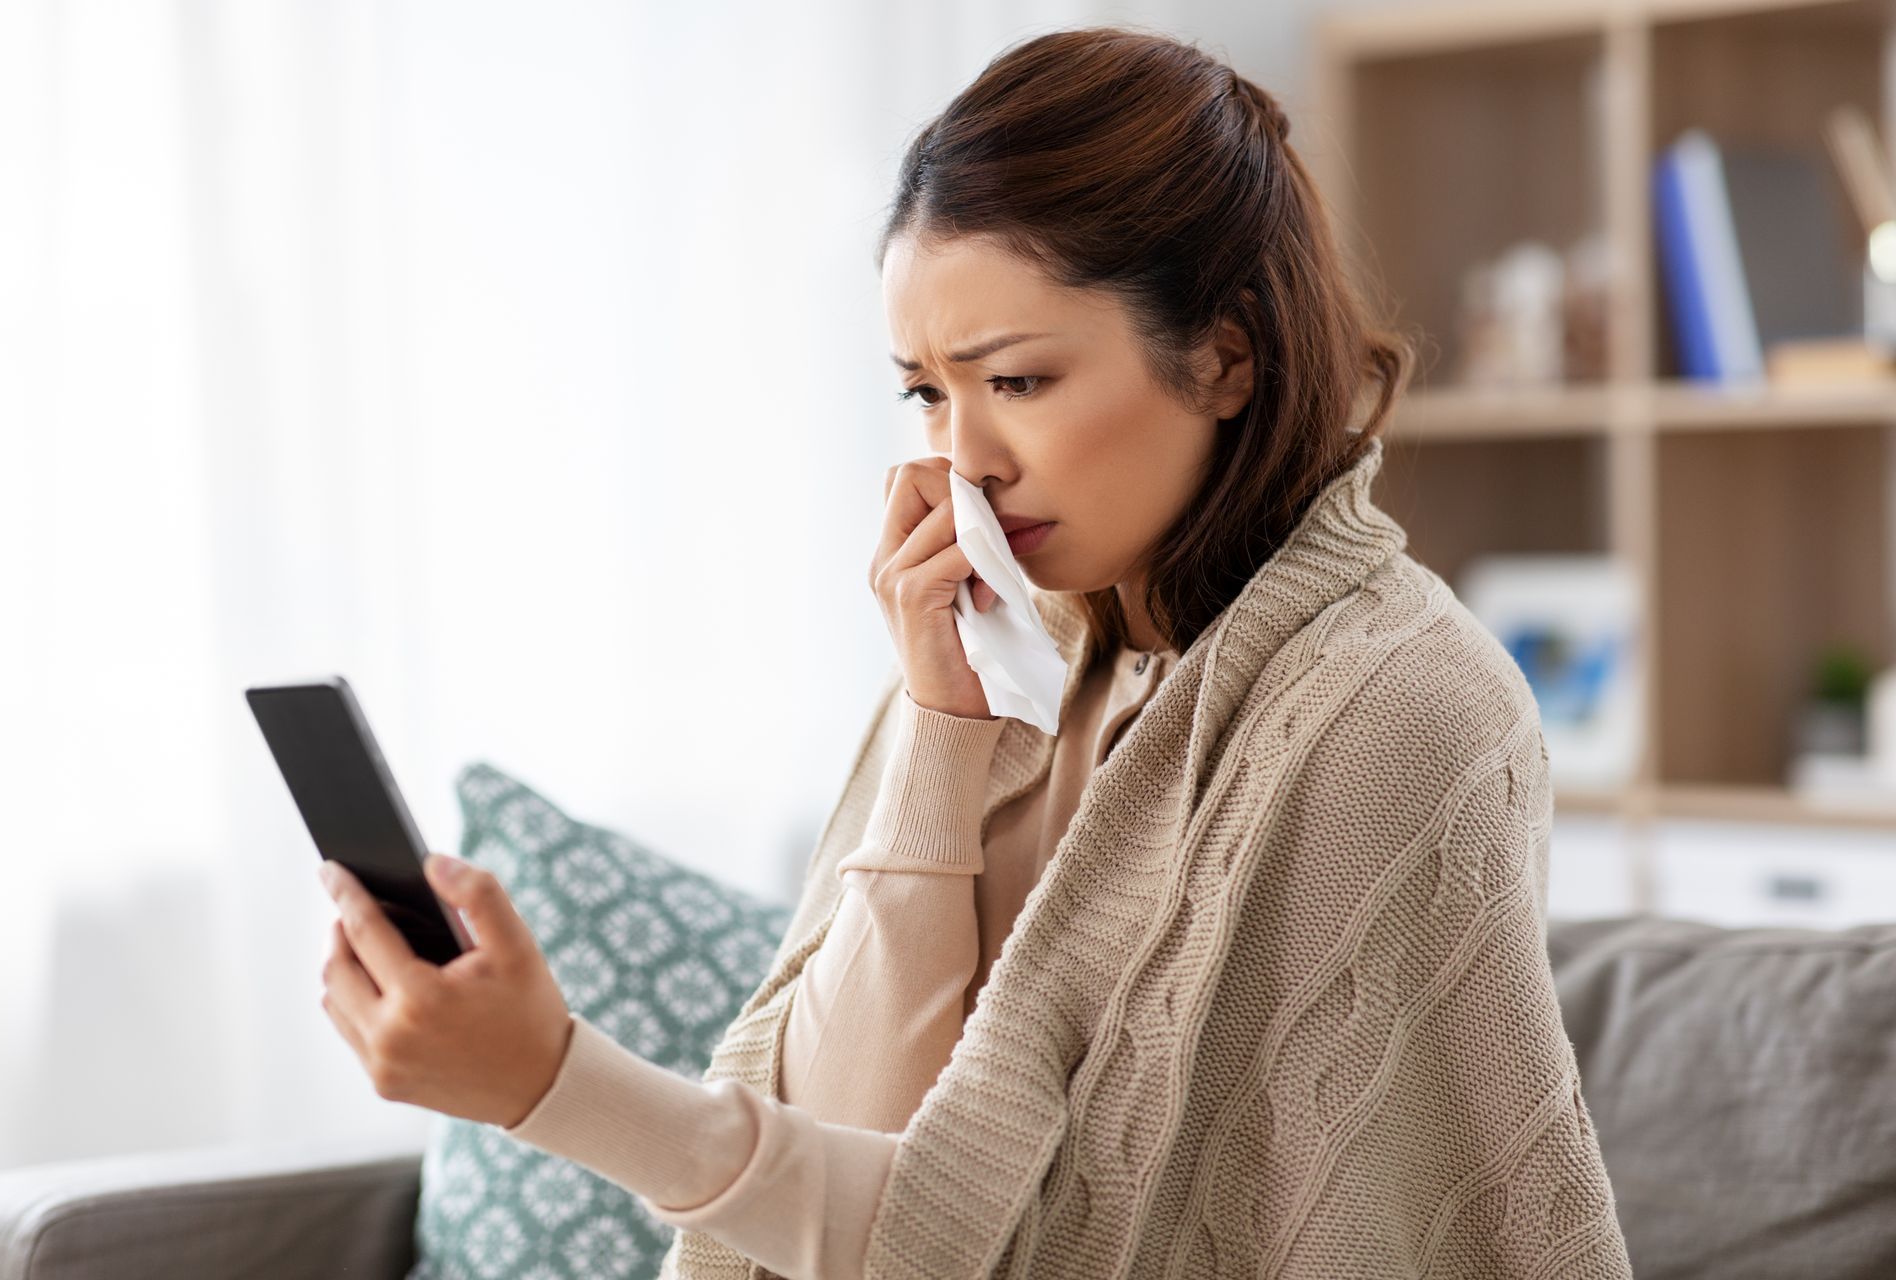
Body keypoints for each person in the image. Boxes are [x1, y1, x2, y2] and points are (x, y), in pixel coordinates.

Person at [316, 23, 1635, 1279]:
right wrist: (938, 740)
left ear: (1227, 357)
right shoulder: (1009, 657)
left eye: (1016, 381)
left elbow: (991, 1248)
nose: (963, 459)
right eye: (925, 391)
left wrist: (553, 1081)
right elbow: (840, 1158)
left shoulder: (1398, 707)